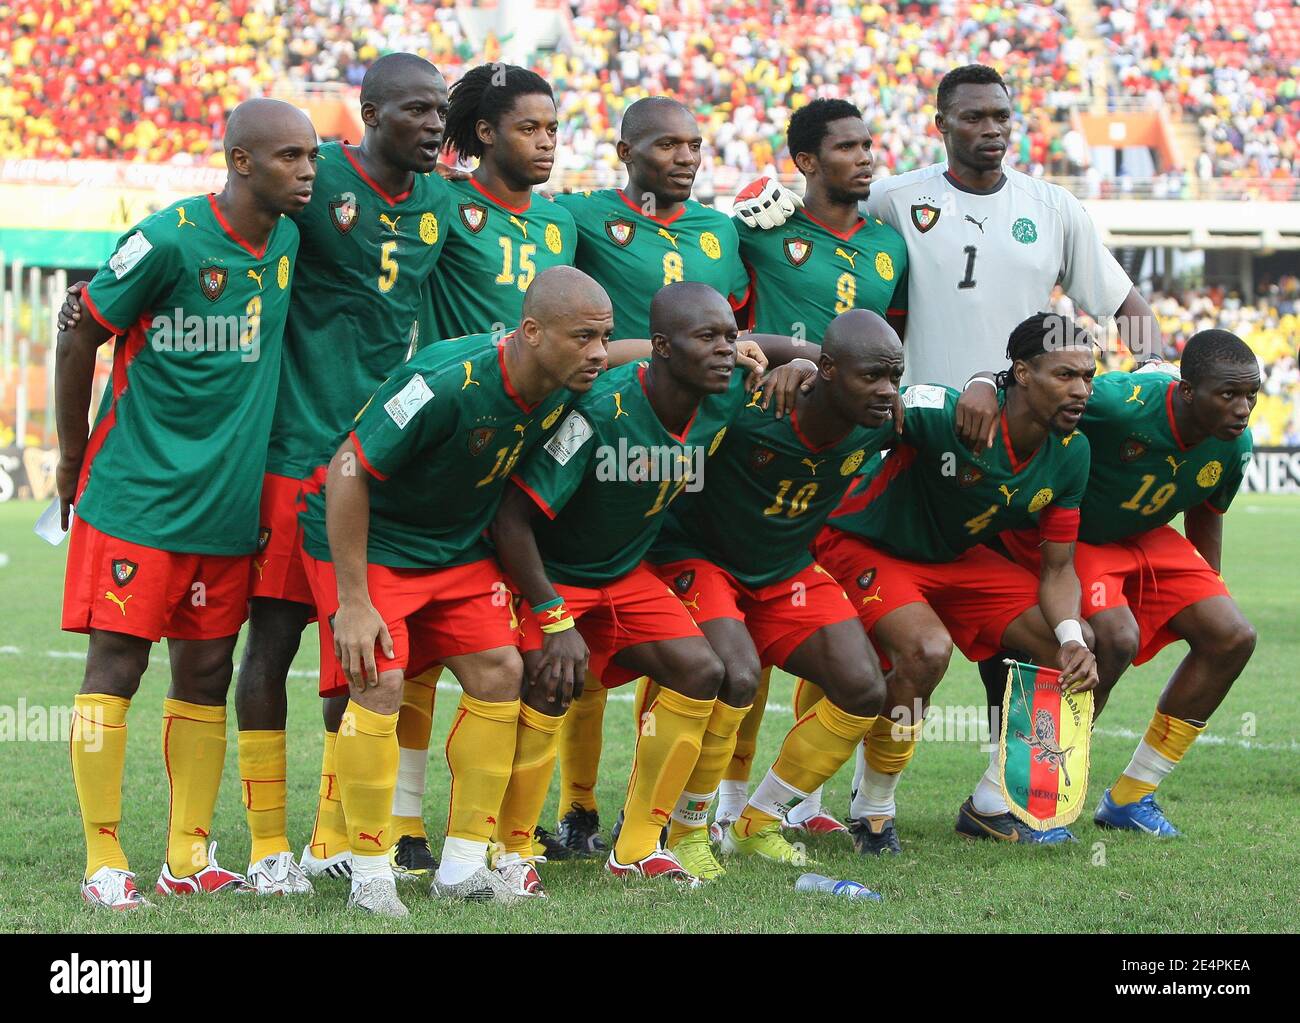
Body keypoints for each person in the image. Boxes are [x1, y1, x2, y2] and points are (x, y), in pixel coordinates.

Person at [734, 64, 1161, 826]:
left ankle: (1006, 792)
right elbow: (823, 206)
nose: (991, 129)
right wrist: (758, 206)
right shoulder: (899, 197)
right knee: (870, 627)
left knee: (1057, 632)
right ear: (941, 123)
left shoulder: (1052, 206)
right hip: (913, 441)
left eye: (1002, 115)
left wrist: (1158, 367)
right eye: (973, 117)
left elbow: (1120, 299)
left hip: (1024, 445)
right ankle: (815, 799)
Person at [57, 98, 316, 909]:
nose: (307, 172)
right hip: (137, 497)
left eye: (312, 157)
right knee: (118, 666)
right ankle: (104, 855)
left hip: (226, 509)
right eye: (290, 159)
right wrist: (70, 459)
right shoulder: (166, 239)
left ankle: (188, 852)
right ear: (241, 161)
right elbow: (78, 335)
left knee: (206, 670)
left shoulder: (289, 240)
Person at [297, 266, 611, 914]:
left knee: (501, 670)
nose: (600, 353)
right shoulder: (447, 380)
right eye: (585, 337)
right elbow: (347, 467)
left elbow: (634, 353)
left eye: (605, 337)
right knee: (380, 680)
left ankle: (464, 865)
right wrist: (353, 600)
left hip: (455, 549)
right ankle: (369, 870)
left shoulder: (565, 379)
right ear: (531, 332)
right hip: (374, 544)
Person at [489, 282, 817, 886]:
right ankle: (510, 849)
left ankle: (636, 846)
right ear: (661, 349)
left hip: (626, 574)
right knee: (549, 684)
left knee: (703, 670)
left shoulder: (723, 392)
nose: (727, 350)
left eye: (730, 337)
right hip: (556, 577)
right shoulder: (598, 414)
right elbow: (511, 518)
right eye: (708, 339)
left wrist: (803, 359)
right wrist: (554, 616)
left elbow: (797, 351)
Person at [535, 97, 753, 857]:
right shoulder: (580, 217)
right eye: (667, 145)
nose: (687, 157)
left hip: (676, 465)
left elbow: (744, 330)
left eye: (696, 144)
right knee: (578, 662)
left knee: (699, 656)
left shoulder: (726, 231)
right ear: (625, 149)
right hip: (594, 445)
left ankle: (662, 829)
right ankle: (574, 811)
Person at [815, 313, 1100, 852]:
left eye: (1088, 376)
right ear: (1021, 372)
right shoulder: (950, 413)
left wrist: (1069, 639)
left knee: (1076, 641)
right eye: (1065, 375)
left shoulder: (1073, 451)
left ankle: (994, 800)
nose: (1082, 390)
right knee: (926, 650)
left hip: (954, 558)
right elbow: (863, 406)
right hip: (868, 542)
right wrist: (803, 369)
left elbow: (1058, 568)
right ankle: (872, 809)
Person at [644, 308, 903, 878]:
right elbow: (696, 361)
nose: (886, 391)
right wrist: (791, 354)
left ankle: (757, 822)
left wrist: (984, 384)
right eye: (872, 377)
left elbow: (961, 402)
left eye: (894, 377)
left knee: (864, 688)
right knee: (736, 675)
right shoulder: (753, 399)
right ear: (829, 372)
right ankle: (686, 830)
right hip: (699, 557)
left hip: (783, 569)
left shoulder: (885, 417)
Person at [720, 97, 911, 836]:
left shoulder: (892, 248)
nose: (865, 158)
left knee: (831, 625)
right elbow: (710, 303)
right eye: (847, 148)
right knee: (750, 643)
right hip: (761, 443)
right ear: (804, 163)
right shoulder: (761, 229)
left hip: (846, 457)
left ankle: (808, 800)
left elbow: (891, 345)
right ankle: (728, 798)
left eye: (870, 145)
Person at [1001, 331, 1259, 836]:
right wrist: (981, 386)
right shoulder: (1120, 405)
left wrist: (1209, 589)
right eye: (1228, 394)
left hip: (1146, 533)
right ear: (1186, 392)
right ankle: (1036, 787)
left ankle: (1131, 797)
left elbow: (1206, 507)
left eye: (1251, 395)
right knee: (1115, 638)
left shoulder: (1235, 443)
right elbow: (1040, 392)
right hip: (1084, 534)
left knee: (1231, 636)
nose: (1243, 408)